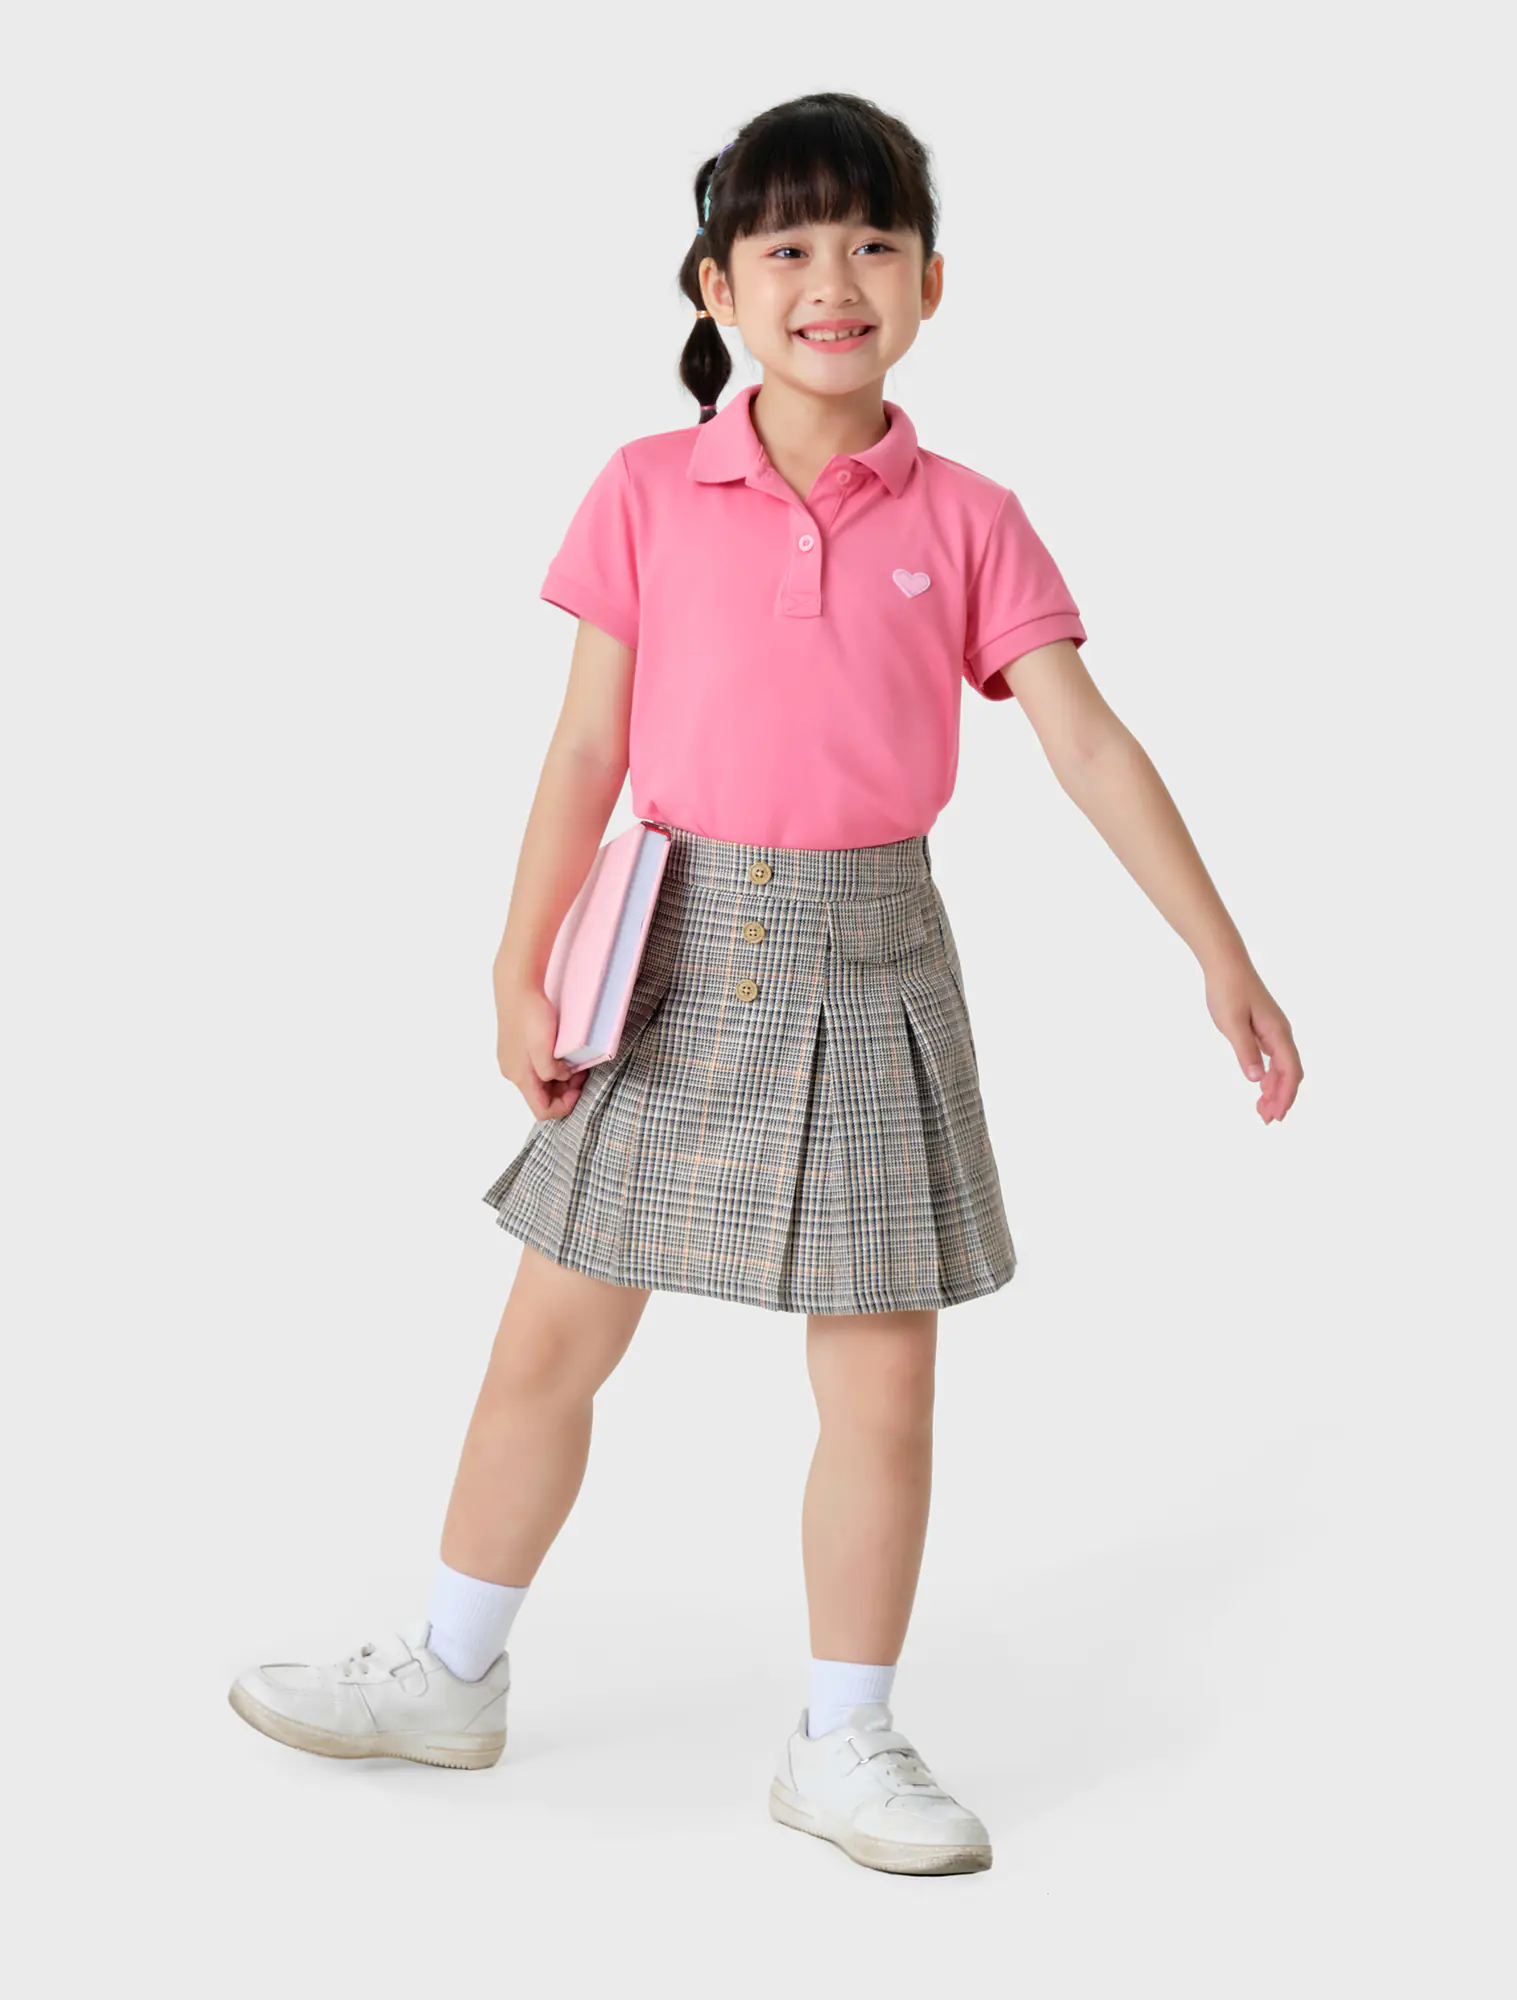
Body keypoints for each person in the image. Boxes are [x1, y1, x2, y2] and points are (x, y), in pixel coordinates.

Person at [228, 90, 1303, 1877]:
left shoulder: (972, 517)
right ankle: (449, 1672)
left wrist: (1222, 951)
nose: (835, 280)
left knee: (882, 1385)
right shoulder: (646, 491)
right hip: (667, 951)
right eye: (789, 245)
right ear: (718, 285)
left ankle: (845, 1738)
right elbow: (586, 748)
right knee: (548, 1341)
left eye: (875, 242)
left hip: (877, 961)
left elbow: (1088, 745)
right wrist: (514, 964)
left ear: (933, 283)